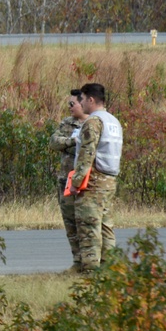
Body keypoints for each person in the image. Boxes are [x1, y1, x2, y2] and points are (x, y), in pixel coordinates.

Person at [70, 83, 123, 272]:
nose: (80, 102)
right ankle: (110, 269)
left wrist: (76, 182)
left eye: (82, 99)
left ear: (91, 100)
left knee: (88, 228)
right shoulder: (113, 121)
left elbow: (86, 154)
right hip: (110, 181)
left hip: (93, 182)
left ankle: (91, 272)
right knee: (106, 227)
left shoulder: (93, 122)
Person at [49, 90, 88, 272]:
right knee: (70, 222)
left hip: (88, 182)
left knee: (87, 223)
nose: (70, 107)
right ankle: (77, 261)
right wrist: (72, 141)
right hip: (67, 179)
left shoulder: (93, 123)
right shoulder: (67, 123)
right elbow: (54, 142)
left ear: (83, 103)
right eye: (69, 105)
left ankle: (91, 262)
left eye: (73, 104)